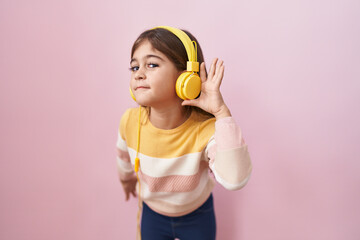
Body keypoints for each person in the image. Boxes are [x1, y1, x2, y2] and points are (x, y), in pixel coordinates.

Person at [116, 26, 252, 240]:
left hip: (197, 215)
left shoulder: (205, 131)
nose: (139, 74)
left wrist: (221, 112)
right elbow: (123, 155)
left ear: (186, 78)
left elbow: (235, 179)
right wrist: (125, 178)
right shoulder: (130, 122)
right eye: (134, 68)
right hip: (153, 214)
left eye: (151, 65)